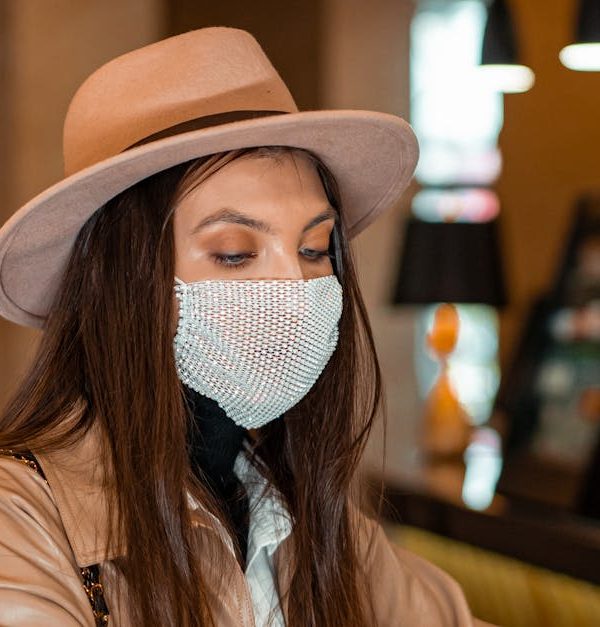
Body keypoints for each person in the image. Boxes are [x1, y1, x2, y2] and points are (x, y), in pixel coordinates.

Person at [0, 27, 490, 626]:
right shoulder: (20, 521)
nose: (294, 288)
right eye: (235, 253)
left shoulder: (303, 514)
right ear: (121, 280)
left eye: (314, 250)